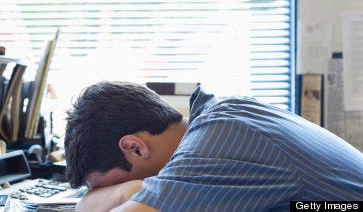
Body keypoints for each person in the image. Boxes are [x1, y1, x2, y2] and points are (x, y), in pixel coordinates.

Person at [64, 81, 363, 211]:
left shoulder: (214, 145)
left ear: (135, 148)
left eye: (107, 185)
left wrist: (131, 194)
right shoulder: (221, 112)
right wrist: (130, 189)